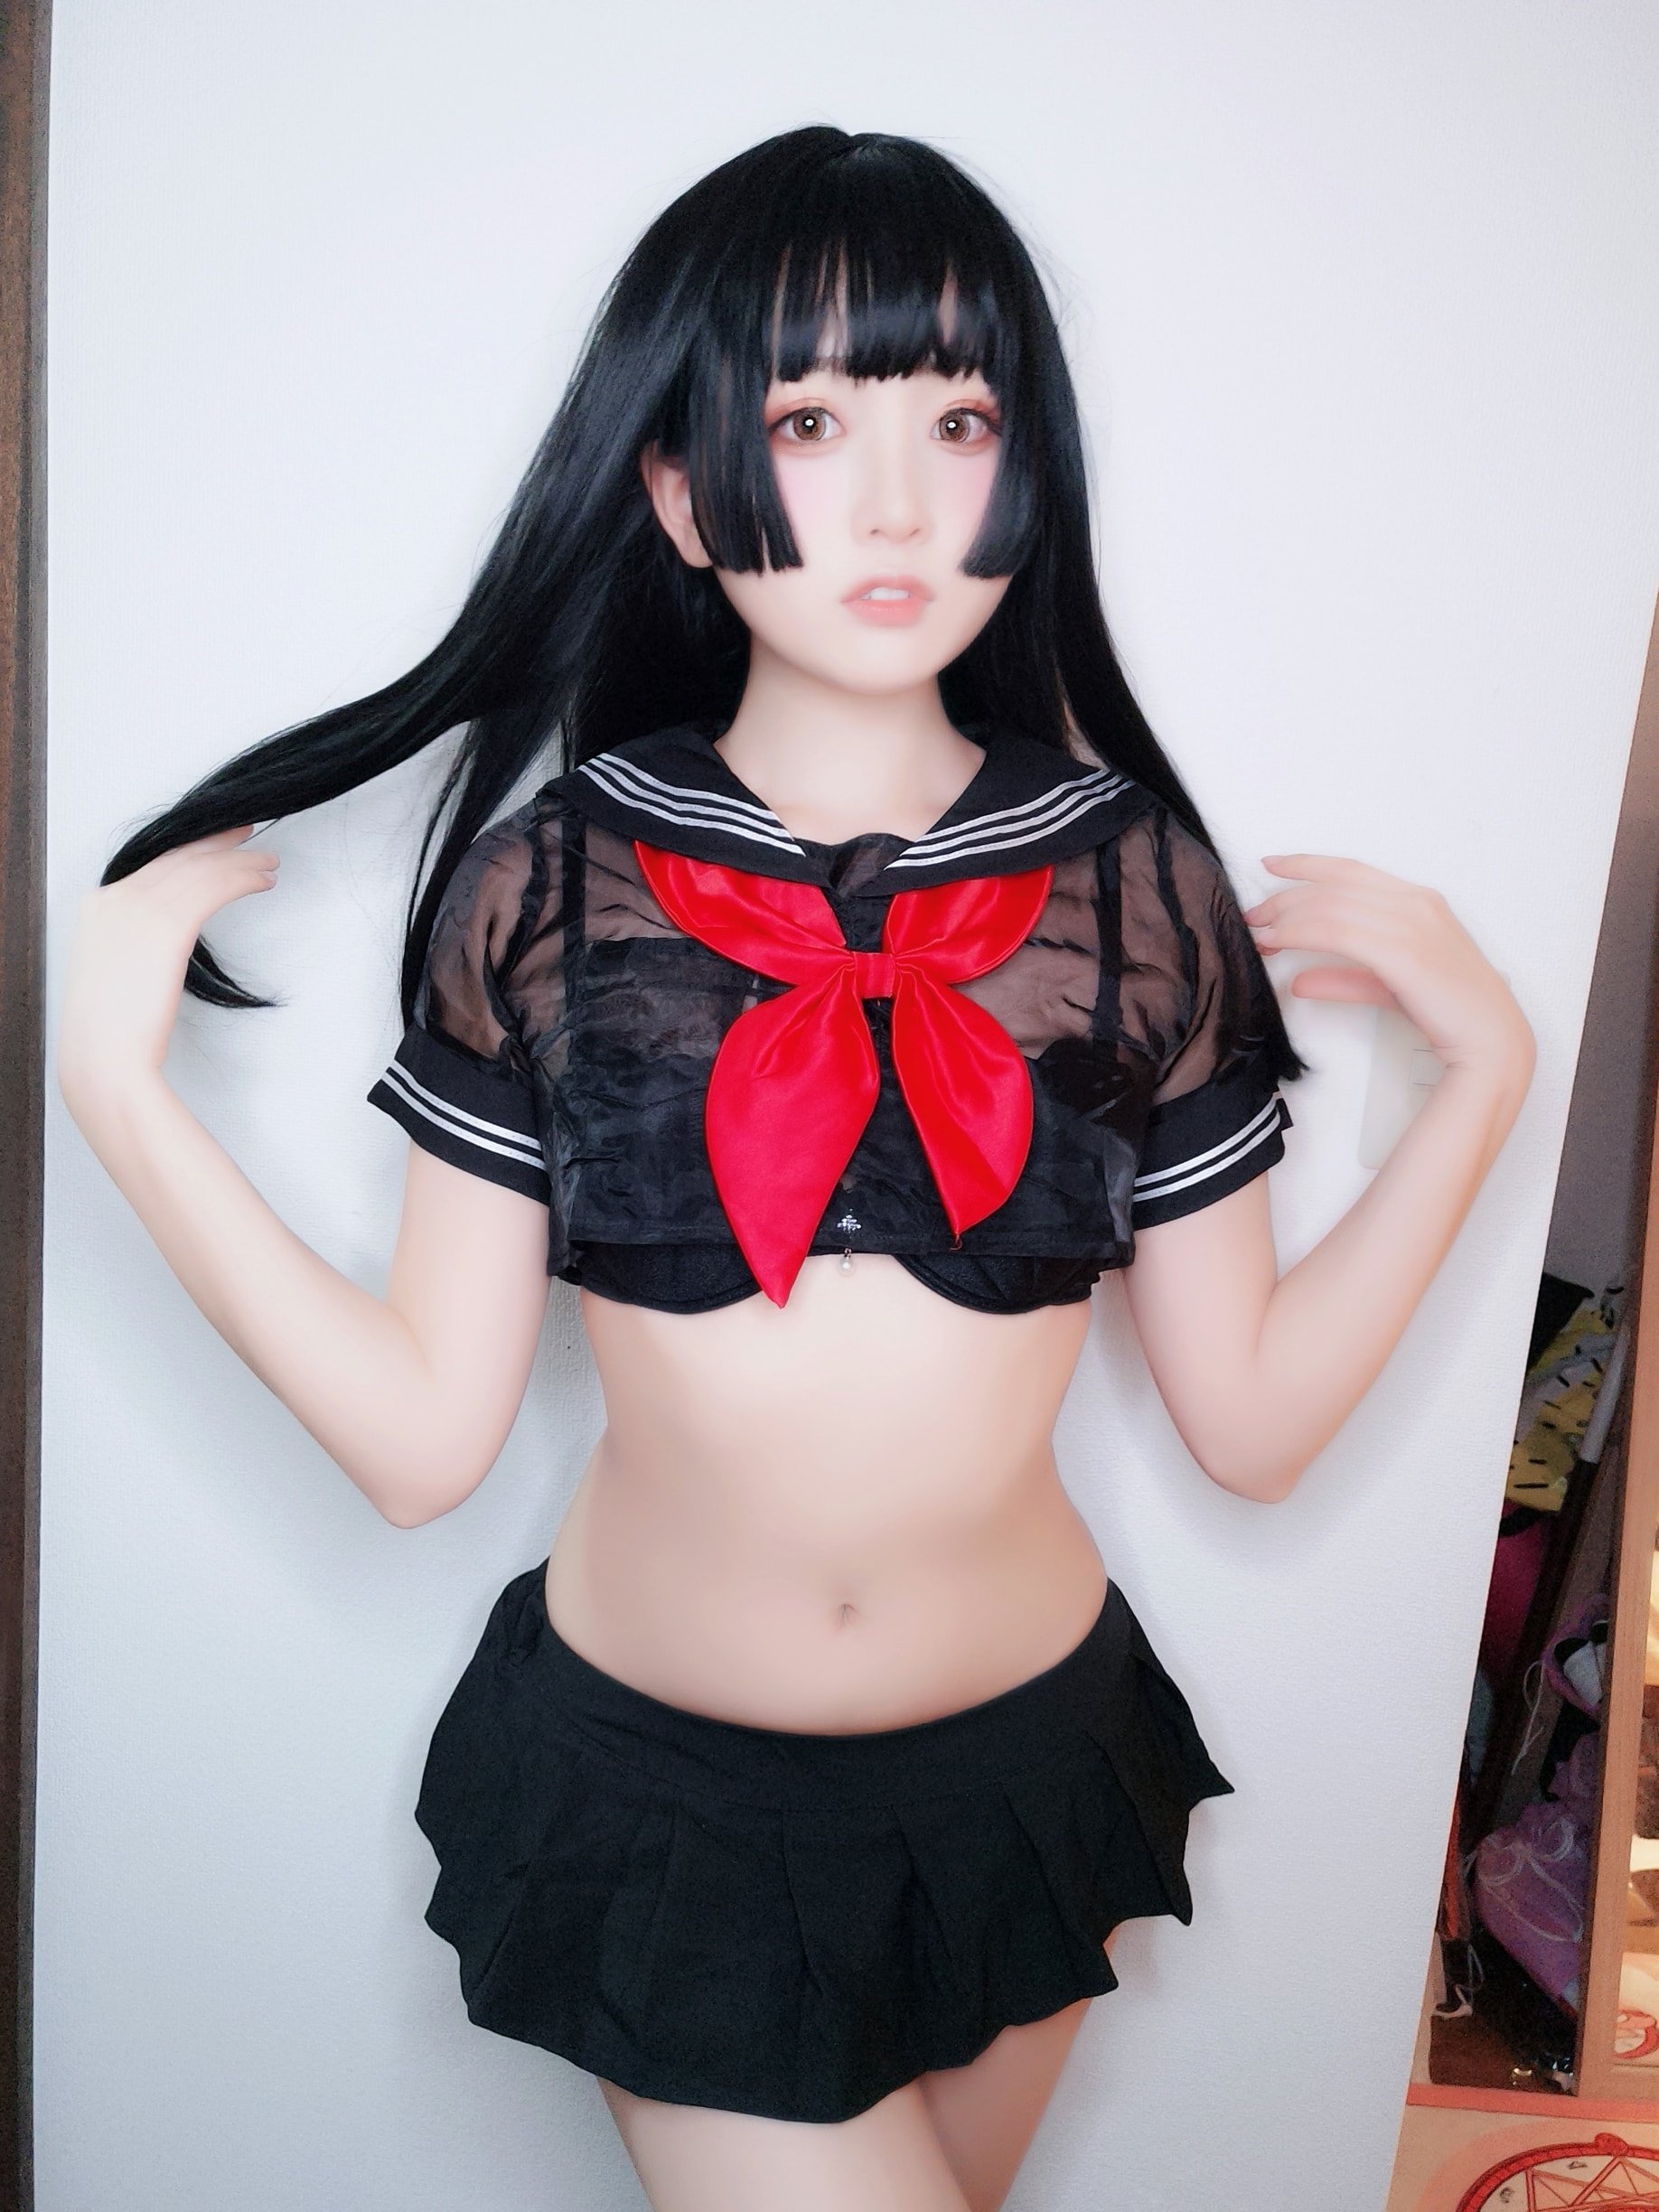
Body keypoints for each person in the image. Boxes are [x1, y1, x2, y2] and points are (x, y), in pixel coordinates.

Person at [55, 126, 1534, 2212]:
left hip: (1025, 1768)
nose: (901, 502)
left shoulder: (1137, 888)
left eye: (962, 422)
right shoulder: (554, 885)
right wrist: (119, 1095)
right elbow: (417, 1442)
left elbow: (1256, 1422)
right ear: (678, 490)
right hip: (672, 1799)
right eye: (812, 423)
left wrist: (1486, 1080)